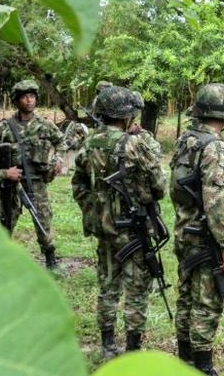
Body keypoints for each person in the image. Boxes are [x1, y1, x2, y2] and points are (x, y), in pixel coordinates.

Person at [71, 86, 166, 360]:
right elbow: (159, 187)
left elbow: (78, 184)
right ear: (126, 115)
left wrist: (93, 209)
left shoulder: (89, 143)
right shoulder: (134, 144)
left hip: (104, 230)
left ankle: (107, 345)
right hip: (133, 229)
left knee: (107, 286)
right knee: (136, 291)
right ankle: (133, 350)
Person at [169, 83, 224, 376]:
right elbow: (215, 201)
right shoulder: (214, 146)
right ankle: (203, 366)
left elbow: (174, 188)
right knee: (207, 302)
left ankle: (184, 355)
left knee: (186, 295)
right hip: (205, 237)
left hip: (185, 229)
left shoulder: (186, 139)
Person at [0, 79, 67, 269]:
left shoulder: (44, 125)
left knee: (43, 219)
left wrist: (59, 159)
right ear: (16, 101)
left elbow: (61, 142)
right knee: (5, 219)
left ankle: (50, 257)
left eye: (32, 96)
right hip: (11, 181)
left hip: (37, 182)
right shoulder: (5, 125)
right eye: (24, 97)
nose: (29, 100)